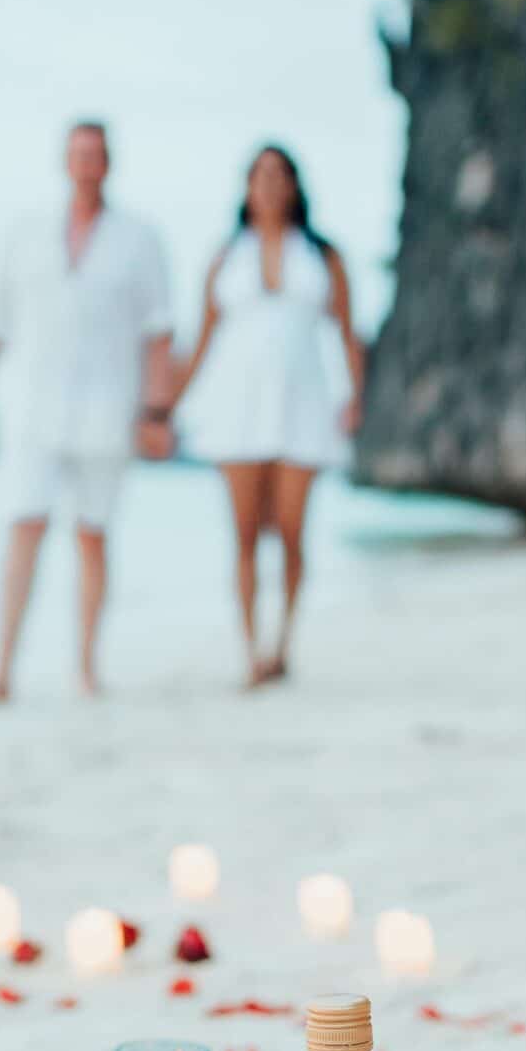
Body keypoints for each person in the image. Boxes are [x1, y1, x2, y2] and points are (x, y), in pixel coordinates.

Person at [0, 120, 172, 704]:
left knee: (93, 535)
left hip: (109, 405)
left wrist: (157, 411)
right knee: (23, 526)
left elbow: (159, 332)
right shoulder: (25, 234)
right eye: (78, 154)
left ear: (110, 162)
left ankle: (86, 669)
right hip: (31, 405)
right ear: (64, 160)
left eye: (96, 154)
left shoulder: (139, 239)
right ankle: (1, 672)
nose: (86, 164)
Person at [167, 144, 364, 687]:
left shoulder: (323, 256)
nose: (271, 186)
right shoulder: (225, 258)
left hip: (304, 403)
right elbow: (200, 341)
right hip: (237, 408)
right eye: (261, 176)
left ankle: (284, 641)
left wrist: (354, 396)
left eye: (280, 176)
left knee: (294, 531)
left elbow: (348, 333)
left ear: (295, 186)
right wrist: (165, 408)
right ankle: (251, 649)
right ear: (247, 188)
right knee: (245, 534)